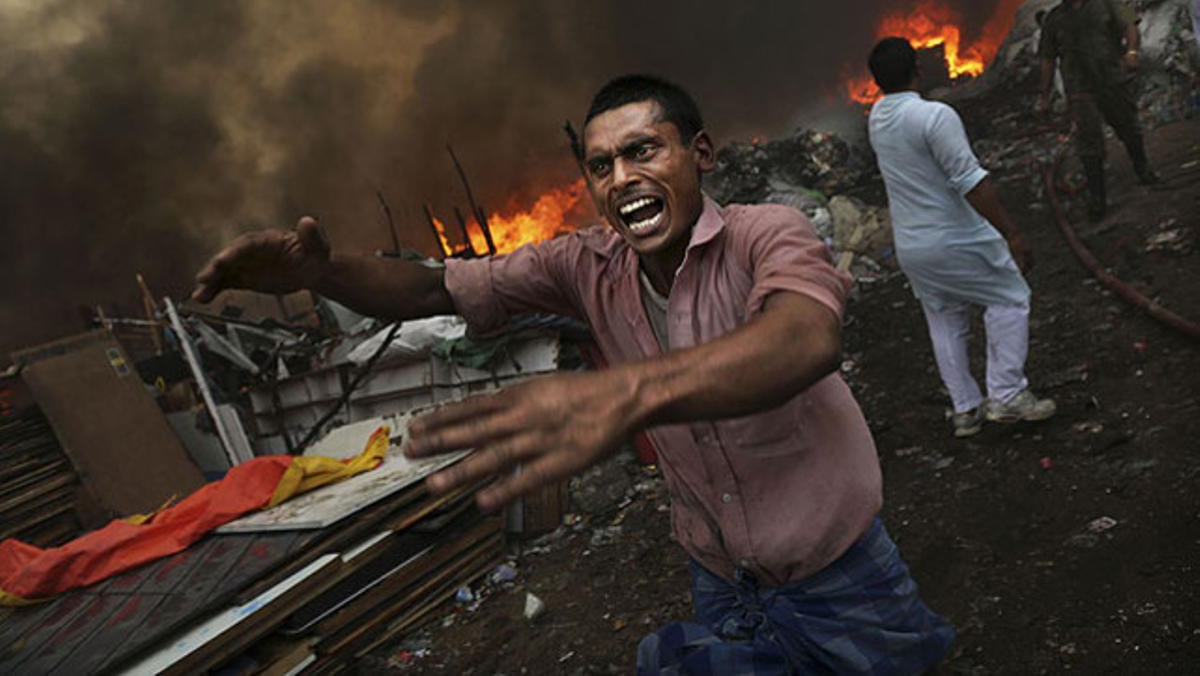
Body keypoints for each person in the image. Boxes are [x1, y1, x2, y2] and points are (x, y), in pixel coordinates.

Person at [193, 75, 953, 674]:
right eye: (601, 166)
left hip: (838, 572)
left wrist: (630, 390)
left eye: (644, 151)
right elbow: (434, 288)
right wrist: (321, 274)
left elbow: (805, 336)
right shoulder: (582, 264)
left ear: (703, 154)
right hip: (723, 582)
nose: (622, 177)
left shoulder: (767, 234)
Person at [866, 38, 1056, 439]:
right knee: (1009, 295)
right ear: (917, 69)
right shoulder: (935, 116)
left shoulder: (877, 117)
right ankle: (1006, 395)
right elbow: (971, 181)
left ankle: (965, 410)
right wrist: (1012, 232)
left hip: (912, 246)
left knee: (944, 316)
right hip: (954, 237)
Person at [1036, 0, 1159, 221]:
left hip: (1112, 79)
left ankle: (1143, 169)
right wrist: (1044, 96)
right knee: (1089, 145)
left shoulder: (1107, 0)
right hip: (1080, 89)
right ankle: (1098, 200)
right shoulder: (1053, 20)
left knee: (1128, 127)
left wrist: (1132, 51)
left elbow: (1130, 23)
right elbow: (1047, 59)